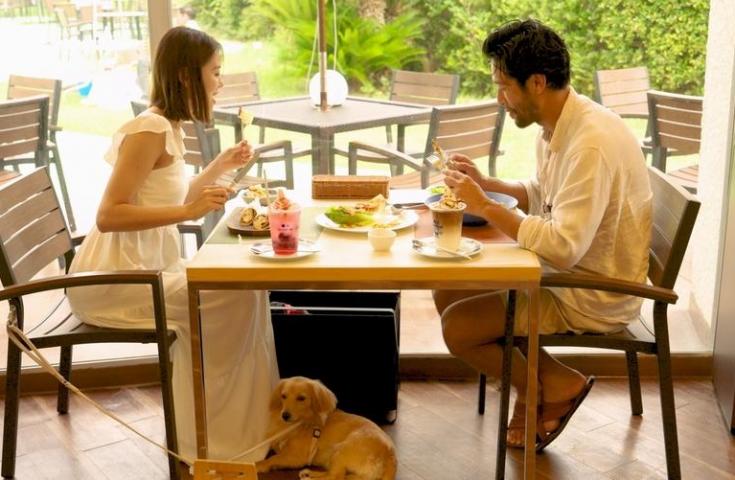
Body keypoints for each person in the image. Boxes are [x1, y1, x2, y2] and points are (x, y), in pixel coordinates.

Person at [436, 19, 652, 450]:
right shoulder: (560, 124)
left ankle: (542, 386)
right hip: (570, 273)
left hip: (592, 292)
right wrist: (488, 184)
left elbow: (563, 247)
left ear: (536, 82)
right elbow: (542, 193)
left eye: (504, 87)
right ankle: (546, 380)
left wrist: (484, 206)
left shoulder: (590, 144)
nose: (500, 100)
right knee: (448, 289)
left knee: (457, 328)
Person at [67, 27, 279, 461]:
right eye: (214, 72)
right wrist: (188, 212)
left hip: (148, 270)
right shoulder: (150, 129)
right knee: (234, 296)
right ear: (186, 76)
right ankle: (214, 443)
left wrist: (219, 166)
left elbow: (171, 197)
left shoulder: (169, 126)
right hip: (115, 281)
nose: (220, 82)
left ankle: (246, 432)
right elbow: (109, 215)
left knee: (248, 288)